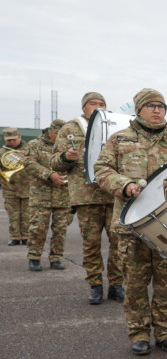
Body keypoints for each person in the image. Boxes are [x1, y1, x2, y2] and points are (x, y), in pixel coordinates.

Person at [94, 88, 167, 356]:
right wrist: (124, 185)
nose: (157, 110)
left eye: (162, 106)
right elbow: (102, 170)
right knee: (134, 283)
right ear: (139, 109)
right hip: (130, 226)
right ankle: (139, 332)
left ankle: (166, 332)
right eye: (151, 105)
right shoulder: (120, 139)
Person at [51, 92, 124, 305]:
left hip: (113, 195)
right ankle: (95, 285)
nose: (98, 106)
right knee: (91, 244)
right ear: (84, 107)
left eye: (102, 103)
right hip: (86, 196)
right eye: (93, 103)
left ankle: (116, 285)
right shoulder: (70, 129)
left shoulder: (115, 127)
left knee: (118, 243)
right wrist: (66, 157)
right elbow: (54, 162)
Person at [23, 119, 72, 271]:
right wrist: (49, 174)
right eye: (58, 134)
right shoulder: (34, 145)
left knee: (60, 229)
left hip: (63, 195)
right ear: (50, 131)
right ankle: (34, 257)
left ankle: (56, 257)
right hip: (41, 194)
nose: (60, 137)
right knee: (38, 228)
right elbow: (29, 163)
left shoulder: (68, 147)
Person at [2, 127, 31, 245]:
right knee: (13, 214)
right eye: (9, 140)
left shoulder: (29, 149)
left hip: (27, 187)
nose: (11, 142)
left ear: (19, 137)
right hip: (10, 189)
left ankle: (26, 237)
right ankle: (15, 237)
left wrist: (27, 155)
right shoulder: (2, 152)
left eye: (14, 139)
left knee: (27, 214)